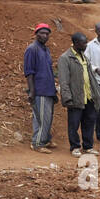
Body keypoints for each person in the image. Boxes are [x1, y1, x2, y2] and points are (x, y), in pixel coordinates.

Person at [56, 32, 100, 158]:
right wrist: (66, 97)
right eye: (83, 42)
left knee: (89, 122)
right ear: (75, 43)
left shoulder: (84, 57)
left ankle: (88, 146)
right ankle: (75, 147)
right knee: (74, 124)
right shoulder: (65, 58)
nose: (86, 45)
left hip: (88, 96)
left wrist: (95, 93)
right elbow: (63, 80)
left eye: (86, 42)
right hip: (75, 97)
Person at [23, 23, 57, 154]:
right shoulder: (32, 49)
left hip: (48, 89)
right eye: (42, 33)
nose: (45, 36)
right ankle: (37, 143)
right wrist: (32, 91)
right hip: (39, 90)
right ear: (36, 34)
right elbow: (29, 72)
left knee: (44, 117)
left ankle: (46, 140)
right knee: (43, 118)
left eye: (47, 34)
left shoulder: (45, 49)